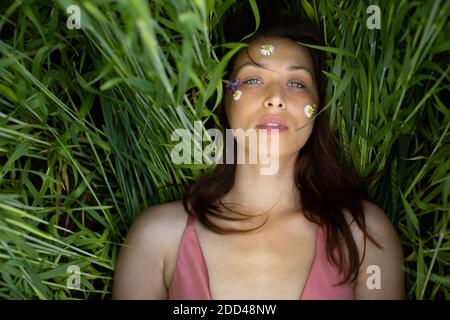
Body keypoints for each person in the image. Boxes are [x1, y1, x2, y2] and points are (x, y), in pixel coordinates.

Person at [112, 8, 404, 300]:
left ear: (320, 106)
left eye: (297, 83)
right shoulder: (158, 238)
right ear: (222, 98)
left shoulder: (362, 235)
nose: (276, 97)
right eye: (252, 79)